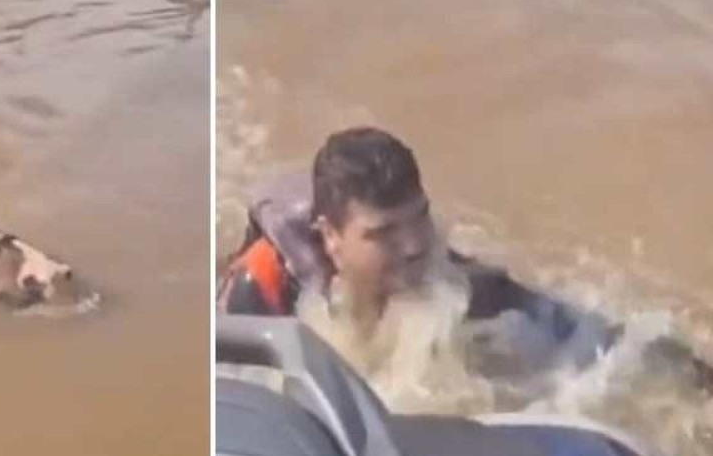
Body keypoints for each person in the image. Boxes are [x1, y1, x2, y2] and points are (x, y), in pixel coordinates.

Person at [217, 126, 713, 390]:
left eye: (419, 218)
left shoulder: (435, 265)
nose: (412, 245)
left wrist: (689, 371)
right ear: (330, 237)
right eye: (383, 233)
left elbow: (576, 328)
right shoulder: (261, 283)